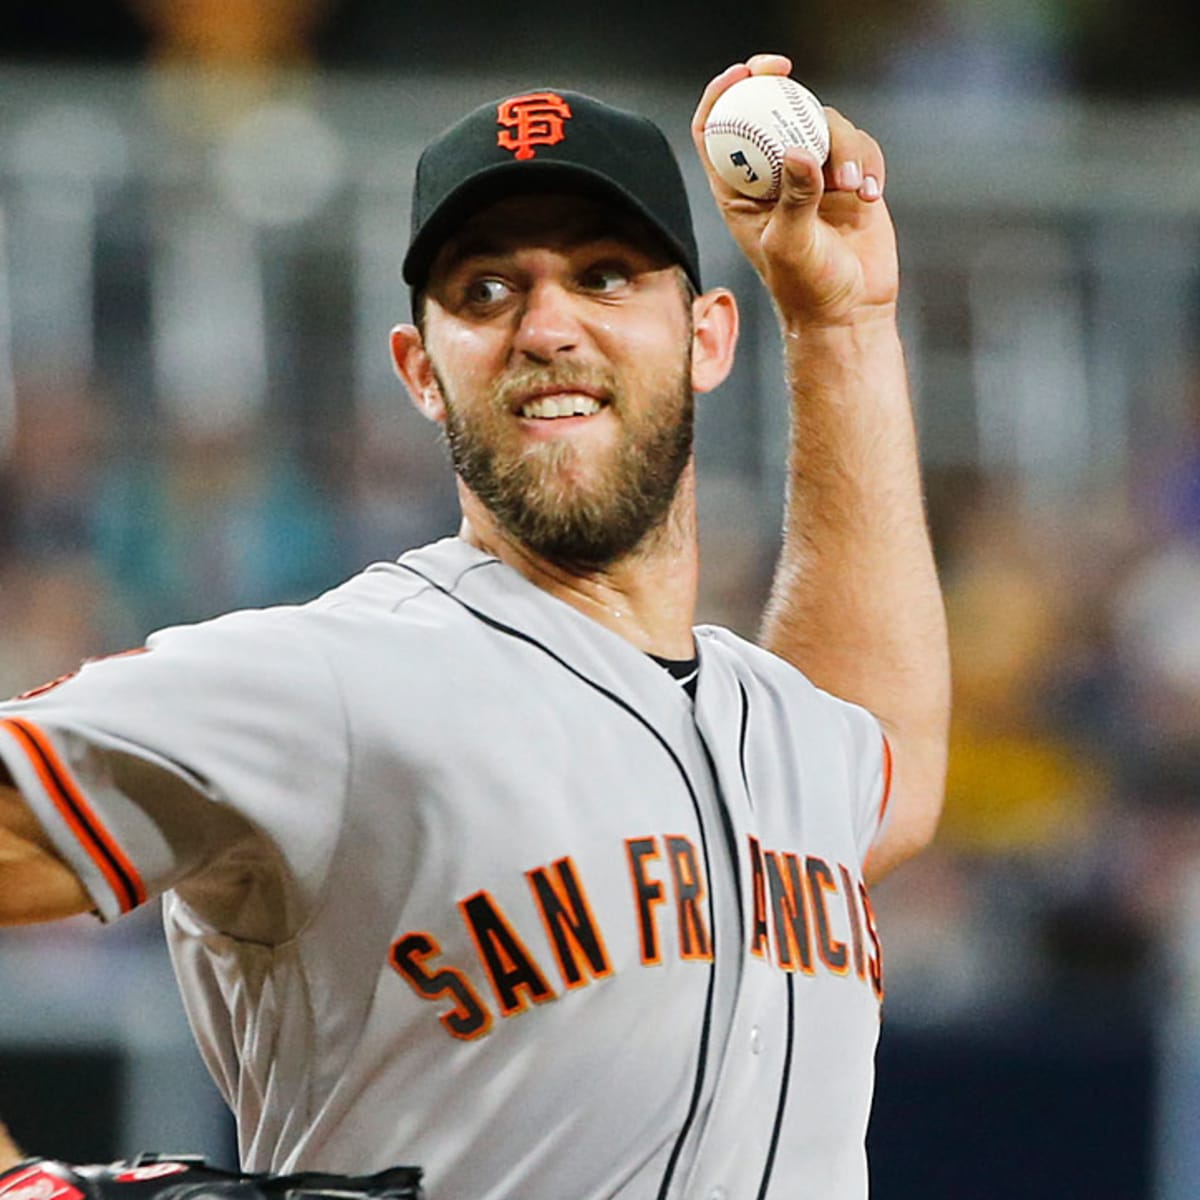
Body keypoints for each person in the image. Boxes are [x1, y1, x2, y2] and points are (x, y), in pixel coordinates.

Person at [0, 54, 949, 1200]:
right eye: (485, 290)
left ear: (707, 338)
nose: (546, 326)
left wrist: (841, 322)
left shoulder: (792, 733)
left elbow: (880, 747)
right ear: (421, 371)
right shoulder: (338, 678)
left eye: (604, 276)